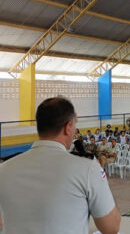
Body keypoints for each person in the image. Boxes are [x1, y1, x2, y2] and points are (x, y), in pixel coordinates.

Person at [0, 97, 120, 234]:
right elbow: (111, 228)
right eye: (75, 125)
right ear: (68, 127)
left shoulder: (4, 170)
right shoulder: (87, 169)